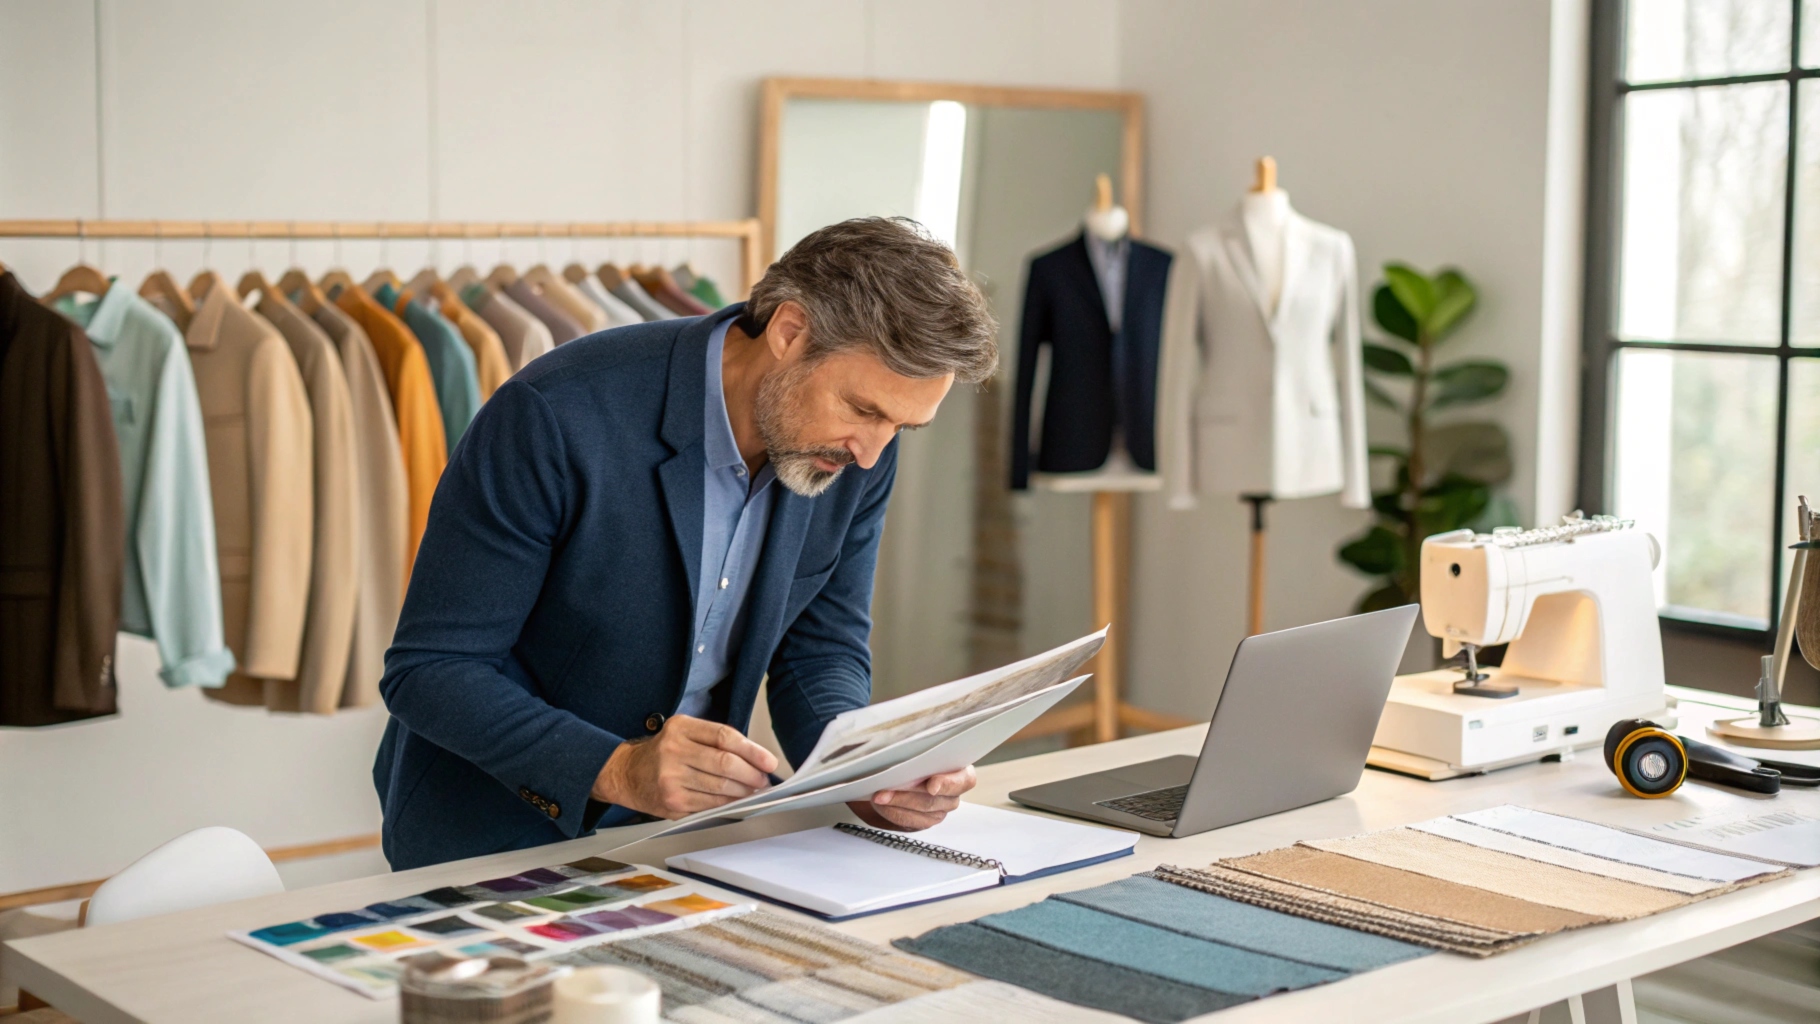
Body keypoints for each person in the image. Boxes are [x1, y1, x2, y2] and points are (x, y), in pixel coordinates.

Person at [373, 217, 1000, 869]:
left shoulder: (855, 452)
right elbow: (433, 668)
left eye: (903, 426)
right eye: (865, 410)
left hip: (694, 839)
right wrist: (617, 770)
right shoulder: (555, 413)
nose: (873, 453)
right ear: (790, 332)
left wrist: (866, 772)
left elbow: (820, 648)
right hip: (493, 835)